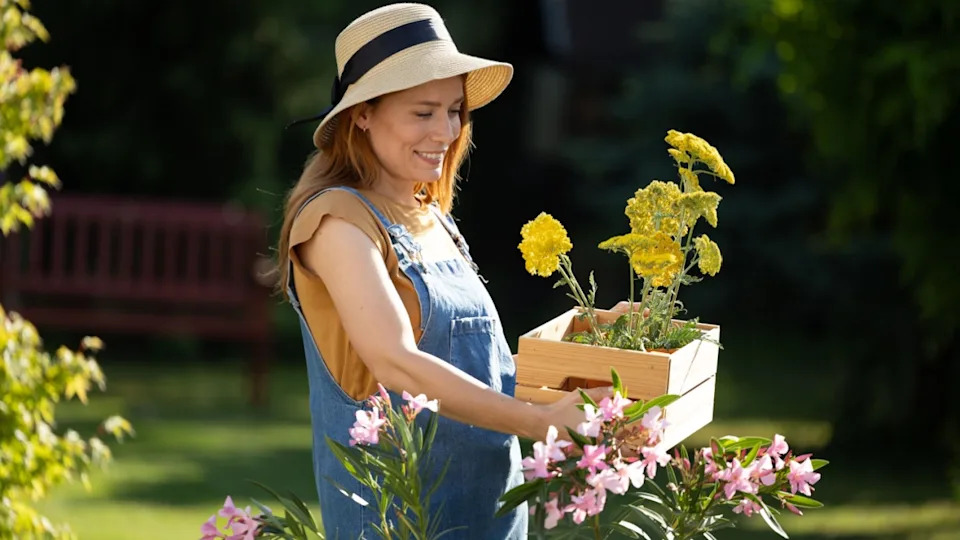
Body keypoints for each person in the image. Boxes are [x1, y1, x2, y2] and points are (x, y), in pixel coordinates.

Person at [276, 4, 611, 538]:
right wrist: (539, 423)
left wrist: (594, 347)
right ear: (364, 113)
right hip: (400, 515)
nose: (447, 130)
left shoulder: (430, 215)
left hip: (491, 511)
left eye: (454, 110)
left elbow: (482, 371)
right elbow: (397, 364)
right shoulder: (336, 221)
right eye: (423, 112)